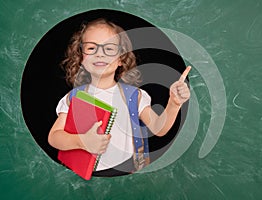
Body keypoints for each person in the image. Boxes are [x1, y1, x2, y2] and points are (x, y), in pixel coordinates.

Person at [48, 18, 191, 177]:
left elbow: (159, 128)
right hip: (91, 177)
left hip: (130, 172)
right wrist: (81, 141)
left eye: (109, 48)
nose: (99, 54)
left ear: (121, 59)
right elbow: (54, 137)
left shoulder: (134, 96)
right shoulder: (73, 97)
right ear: (81, 56)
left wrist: (174, 103)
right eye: (91, 48)